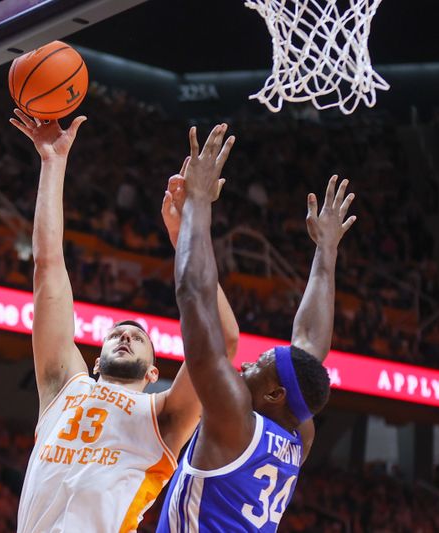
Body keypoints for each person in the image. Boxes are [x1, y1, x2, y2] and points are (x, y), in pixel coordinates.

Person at [8, 109, 239, 533]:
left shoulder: (164, 414)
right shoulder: (64, 386)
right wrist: (52, 162)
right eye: (117, 333)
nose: (125, 335)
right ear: (94, 362)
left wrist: (187, 233)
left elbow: (222, 341)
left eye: (137, 336)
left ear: (154, 371)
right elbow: (48, 268)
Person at [157, 124, 355, 532]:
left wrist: (198, 201)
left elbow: (193, 294)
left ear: (274, 393)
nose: (244, 367)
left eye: (256, 367)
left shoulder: (234, 420)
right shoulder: (298, 434)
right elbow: (308, 350)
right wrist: (326, 252)